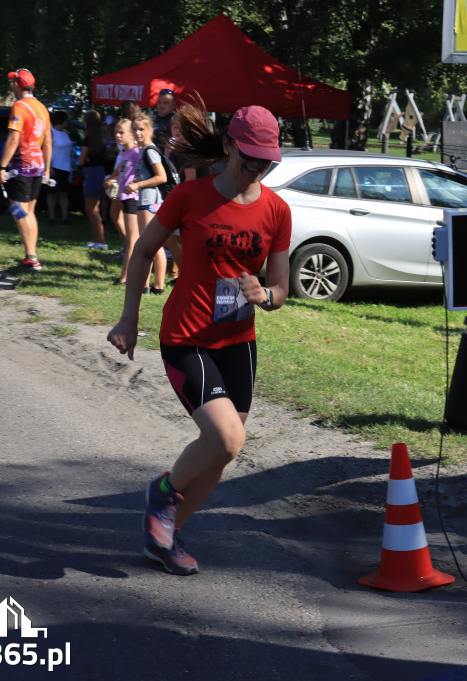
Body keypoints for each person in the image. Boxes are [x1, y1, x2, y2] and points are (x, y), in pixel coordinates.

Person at [106, 103, 291, 576]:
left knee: (221, 453)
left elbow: (281, 288)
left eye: (265, 160)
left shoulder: (277, 210)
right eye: (249, 156)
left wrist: (264, 294)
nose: (257, 167)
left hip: (238, 341)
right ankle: (163, 494)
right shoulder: (190, 196)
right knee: (226, 439)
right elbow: (145, 250)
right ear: (229, 145)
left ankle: (164, 537)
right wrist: (129, 319)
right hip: (187, 337)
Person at [0, 69, 52, 272]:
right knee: (29, 212)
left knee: (18, 211)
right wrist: (47, 170)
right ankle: (31, 255)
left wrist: (1, 166)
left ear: (18, 85)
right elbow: (48, 141)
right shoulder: (42, 107)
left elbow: (13, 139)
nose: (11, 86)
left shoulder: (19, 106)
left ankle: (32, 258)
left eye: (12, 82)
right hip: (37, 166)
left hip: (21, 168)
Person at [129, 111, 168, 294]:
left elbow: (161, 177)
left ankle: (157, 285)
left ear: (150, 130)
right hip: (144, 200)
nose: (138, 133)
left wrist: (137, 184)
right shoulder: (143, 150)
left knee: (151, 244)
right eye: (135, 129)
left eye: (141, 129)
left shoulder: (150, 151)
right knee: (147, 243)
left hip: (149, 201)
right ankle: (147, 285)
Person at [103, 118, 140, 285]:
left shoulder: (136, 152)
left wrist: (137, 185)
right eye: (116, 132)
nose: (117, 135)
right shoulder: (124, 152)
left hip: (133, 198)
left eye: (121, 133)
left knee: (132, 240)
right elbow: (120, 169)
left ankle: (125, 277)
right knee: (132, 240)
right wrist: (111, 179)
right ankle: (130, 275)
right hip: (125, 198)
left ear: (131, 135)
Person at [77, 110, 110, 250]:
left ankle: (101, 242)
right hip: (100, 171)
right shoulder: (102, 138)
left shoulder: (88, 139)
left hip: (91, 172)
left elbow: (81, 160)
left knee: (92, 209)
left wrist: (80, 159)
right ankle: (97, 240)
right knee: (94, 208)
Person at [47, 110, 74, 224]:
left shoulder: (65, 134)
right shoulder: (51, 132)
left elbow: (67, 147)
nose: (67, 122)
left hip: (65, 167)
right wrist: (49, 167)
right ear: (61, 120)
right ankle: (52, 217)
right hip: (54, 166)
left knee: (64, 193)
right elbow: (47, 149)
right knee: (52, 193)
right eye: (66, 120)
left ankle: (64, 217)